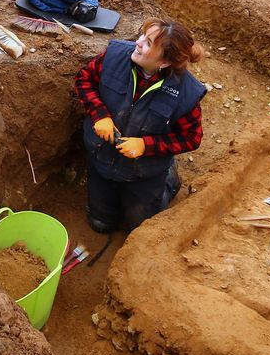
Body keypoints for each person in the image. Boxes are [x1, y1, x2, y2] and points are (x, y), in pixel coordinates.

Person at [75, 17, 207, 233]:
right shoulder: (114, 57)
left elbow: (191, 137)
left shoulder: (185, 93)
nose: (137, 43)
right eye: (142, 37)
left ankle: (169, 181)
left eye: (147, 44)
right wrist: (100, 115)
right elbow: (84, 79)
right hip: (102, 159)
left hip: (144, 172)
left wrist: (146, 146)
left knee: (138, 228)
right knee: (101, 224)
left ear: (164, 62)